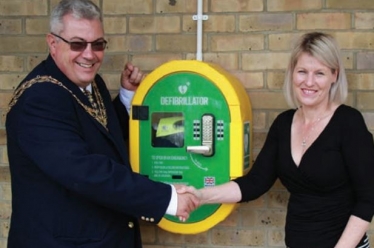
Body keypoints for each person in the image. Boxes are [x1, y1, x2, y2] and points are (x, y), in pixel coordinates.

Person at [5, 0, 198, 247]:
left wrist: (126, 97)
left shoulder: (91, 83)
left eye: (98, 44)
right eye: (77, 44)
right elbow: (84, 171)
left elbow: (97, 135)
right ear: (53, 43)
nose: (89, 54)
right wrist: (168, 197)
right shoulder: (40, 98)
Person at [180, 32, 374, 247]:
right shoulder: (283, 124)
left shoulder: (348, 122)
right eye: (302, 71)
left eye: (319, 73)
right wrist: (200, 195)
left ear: (334, 75)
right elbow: (254, 183)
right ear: (292, 73)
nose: (309, 82)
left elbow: (367, 199)